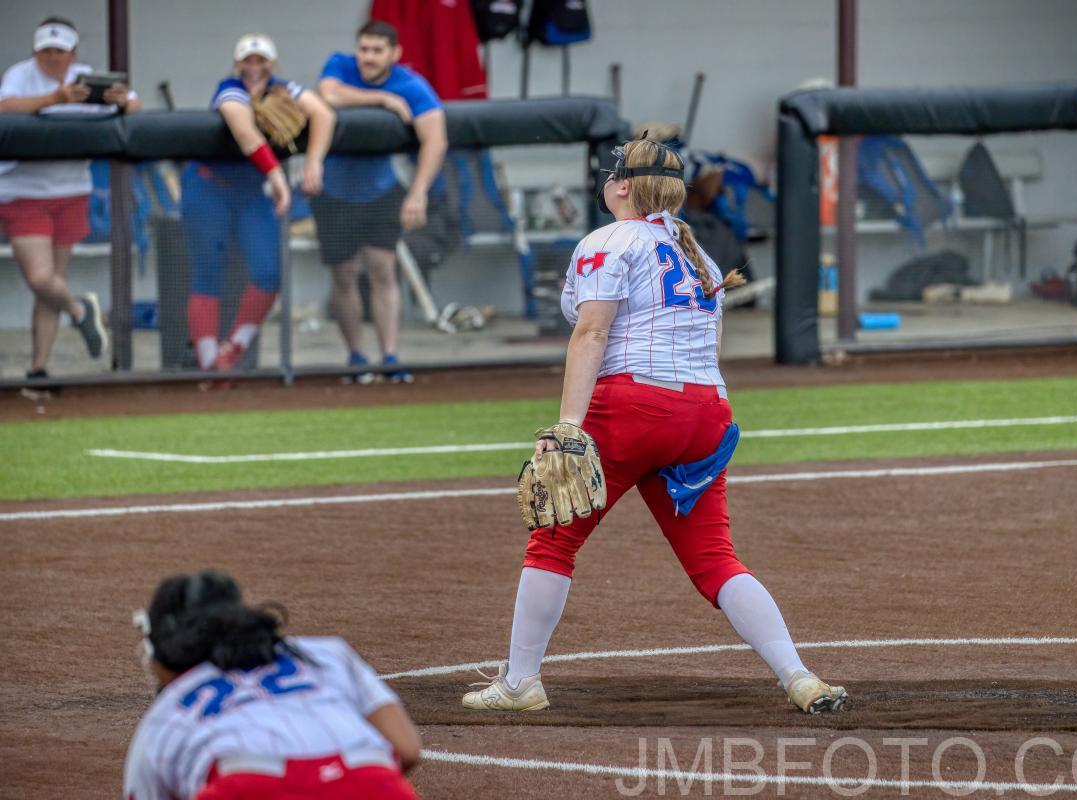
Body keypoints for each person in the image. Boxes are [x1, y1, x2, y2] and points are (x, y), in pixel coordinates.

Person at [461, 138, 848, 716]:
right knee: (715, 559)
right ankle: (799, 676)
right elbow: (709, 347)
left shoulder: (608, 239)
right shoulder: (698, 253)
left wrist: (568, 425)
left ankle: (521, 683)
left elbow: (591, 333)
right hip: (708, 412)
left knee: (553, 540)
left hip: (637, 405)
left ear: (622, 186)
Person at [123, 570, 422, 799]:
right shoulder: (325, 654)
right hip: (368, 780)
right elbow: (406, 749)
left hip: (243, 788)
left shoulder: (167, 713)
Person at [183, 33, 334, 377]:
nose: (254, 67)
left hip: (250, 191)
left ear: (272, 64)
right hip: (209, 186)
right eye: (247, 61)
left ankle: (231, 352)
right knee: (207, 274)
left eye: (261, 61)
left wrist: (314, 163)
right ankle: (208, 365)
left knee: (269, 273)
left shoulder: (282, 89)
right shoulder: (229, 88)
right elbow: (244, 130)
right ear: (236, 64)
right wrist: (277, 175)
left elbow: (324, 114)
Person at [0, 17, 139, 380]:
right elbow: (5, 107)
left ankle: (38, 368)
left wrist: (121, 102)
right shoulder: (19, 75)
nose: (52, 57)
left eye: (59, 51)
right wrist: (53, 98)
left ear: (73, 53)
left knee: (51, 284)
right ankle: (80, 311)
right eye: (45, 51)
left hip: (71, 190)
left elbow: (133, 105)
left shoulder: (88, 77)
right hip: (23, 191)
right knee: (40, 277)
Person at [316, 20, 448, 383]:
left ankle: (389, 357)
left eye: (377, 50)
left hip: (381, 190)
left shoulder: (410, 84)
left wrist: (418, 191)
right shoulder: (340, 65)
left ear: (395, 53)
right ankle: (356, 358)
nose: (369, 57)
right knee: (343, 274)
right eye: (364, 49)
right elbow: (328, 94)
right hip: (334, 192)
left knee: (383, 270)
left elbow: (435, 139)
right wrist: (382, 100)